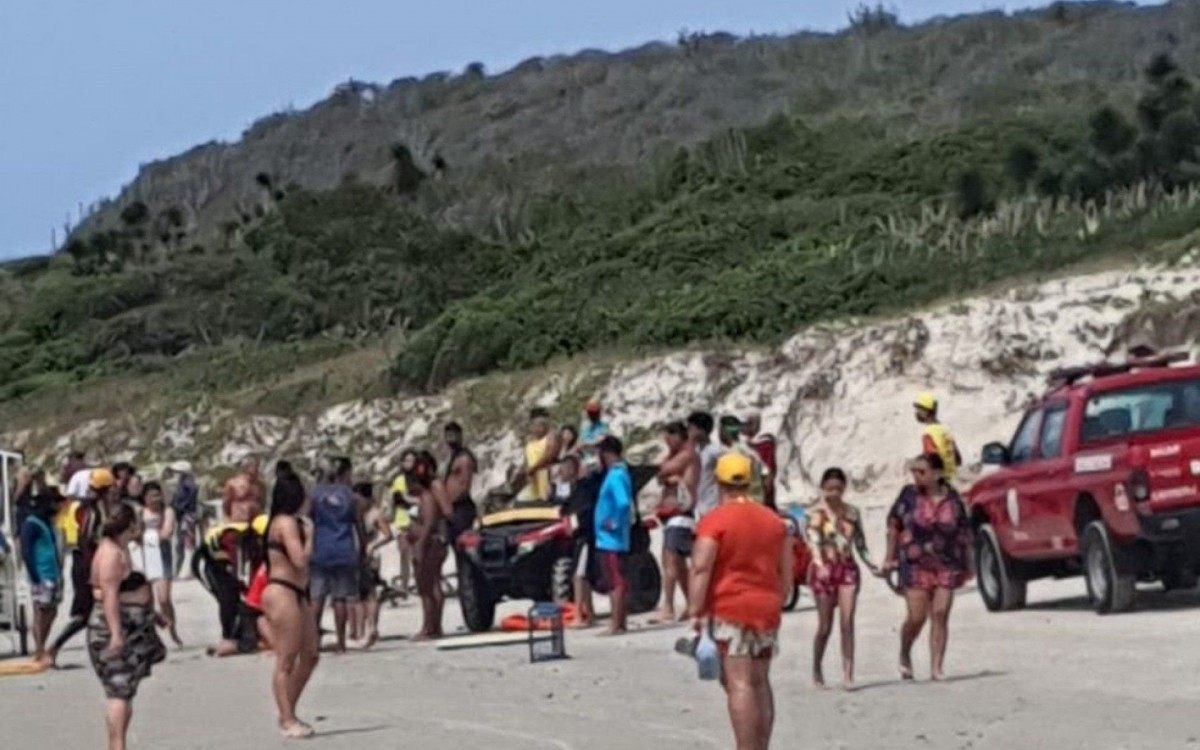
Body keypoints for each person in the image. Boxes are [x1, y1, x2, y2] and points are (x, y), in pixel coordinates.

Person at [687, 453, 791, 750]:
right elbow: (785, 571)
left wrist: (695, 610)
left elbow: (702, 567)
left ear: (718, 482)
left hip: (730, 607)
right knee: (760, 680)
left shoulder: (715, 521)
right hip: (767, 606)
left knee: (739, 683)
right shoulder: (773, 521)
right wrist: (778, 598)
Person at [882, 453, 972, 681]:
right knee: (917, 617)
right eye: (914, 471)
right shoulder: (908, 496)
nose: (916, 476)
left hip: (946, 562)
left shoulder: (952, 498)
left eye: (921, 472)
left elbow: (963, 533)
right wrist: (889, 557)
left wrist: (968, 563)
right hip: (914, 562)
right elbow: (894, 525)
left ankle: (936, 667)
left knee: (940, 614)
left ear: (937, 473)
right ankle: (905, 652)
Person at [86, 503, 166, 750]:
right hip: (111, 629)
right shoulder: (111, 554)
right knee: (118, 693)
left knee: (123, 692)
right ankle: (117, 746)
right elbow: (108, 596)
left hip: (130, 627)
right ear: (130, 525)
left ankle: (117, 745)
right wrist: (117, 635)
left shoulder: (117, 549)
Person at [261, 461, 319, 739]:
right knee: (286, 658)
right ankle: (287, 718)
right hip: (282, 590)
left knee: (311, 654)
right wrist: (310, 538)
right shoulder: (284, 523)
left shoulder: (290, 522)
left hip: (298, 591)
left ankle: (288, 709)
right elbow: (299, 559)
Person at [806, 467, 877, 690]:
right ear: (823, 488)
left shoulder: (852, 513)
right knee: (825, 626)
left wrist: (872, 564)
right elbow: (813, 543)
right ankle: (817, 668)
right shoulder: (814, 514)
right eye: (829, 488)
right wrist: (820, 566)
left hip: (847, 569)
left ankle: (848, 673)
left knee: (847, 622)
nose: (834, 493)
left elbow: (861, 544)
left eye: (838, 488)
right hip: (824, 570)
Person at [48, 468, 118, 665]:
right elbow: (86, 540)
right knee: (85, 614)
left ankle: (107, 648)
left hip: (80, 560)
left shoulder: (77, 506)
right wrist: (95, 571)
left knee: (100, 609)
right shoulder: (92, 511)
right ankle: (54, 648)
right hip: (86, 563)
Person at [310, 457, 361, 654]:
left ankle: (313, 642)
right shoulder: (349, 495)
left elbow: (306, 518)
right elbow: (358, 524)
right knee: (340, 598)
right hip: (343, 548)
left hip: (321, 549)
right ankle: (341, 642)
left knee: (317, 597)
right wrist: (362, 550)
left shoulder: (315, 494)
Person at [651, 421, 699, 623]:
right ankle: (691, 604)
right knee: (677, 565)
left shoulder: (686, 455)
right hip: (674, 516)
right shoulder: (677, 455)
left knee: (670, 561)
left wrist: (666, 475)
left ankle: (668, 607)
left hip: (681, 513)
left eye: (670, 437)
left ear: (680, 436)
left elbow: (664, 469)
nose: (667, 442)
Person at [22, 487, 67, 667]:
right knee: (41, 612)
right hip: (41, 574)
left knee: (52, 611)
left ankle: (42, 647)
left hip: (53, 573)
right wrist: (34, 576)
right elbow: (26, 551)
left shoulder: (49, 523)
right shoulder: (31, 523)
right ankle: (39, 650)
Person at [408, 451, 448, 639]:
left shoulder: (429, 494)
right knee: (432, 584)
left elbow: (430, 521)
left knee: (427, 586)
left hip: (429, 543)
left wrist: (420, 545)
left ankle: (430, 627)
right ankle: (434, 626)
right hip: (432, 541)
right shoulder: (427, 493)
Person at [594, 436, 632, 636]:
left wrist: (614, 522)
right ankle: (620, 622)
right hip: (612, 539)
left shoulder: (616, 475)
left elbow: (624, 503)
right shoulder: (618, 473)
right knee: (617, 580)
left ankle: (616, 624)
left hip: (611, 539)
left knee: (615, 581)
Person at [140, 482, 182, 647]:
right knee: (147, 600)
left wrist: (148, 534)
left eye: (158, 495)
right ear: (145, 498)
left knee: (164, 599)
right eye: (151, 496)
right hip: (145, 556)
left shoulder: (168, 511)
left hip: (162, 555)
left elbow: (167, 532)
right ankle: (151, 635)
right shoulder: (140, 512)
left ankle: (172, 629)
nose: (155, 499)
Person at [353, 482, 393, 649]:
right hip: (359, 554)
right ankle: (361, 630)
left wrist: (374, 545)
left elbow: (389, 535)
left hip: (371, 555)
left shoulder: (375, 514)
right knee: (359, 594)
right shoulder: (357, 513)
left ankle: (372, 627)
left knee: (370, 593)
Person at [561, 454, 598, 628]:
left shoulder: (583, 488)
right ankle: (589, 614)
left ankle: (579, 615)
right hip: (579, 538)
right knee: (583, 577)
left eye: (565, 468)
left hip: (585, 536)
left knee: (579, 576)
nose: (562, 472)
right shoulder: (572, 490)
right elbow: (565, 508)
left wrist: (573, 524)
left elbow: (583, 512)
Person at [443, 422, 479, 543]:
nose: (450, 439)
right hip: (452, 509)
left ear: (459, 436)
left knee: (463, 545)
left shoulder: (464, 458)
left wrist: (451, 504)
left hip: (461, 507)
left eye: (452, 435)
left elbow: (464, 485)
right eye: (447, 436)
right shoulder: (452, 457)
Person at [914, 392, 962, 482]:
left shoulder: (928, 433)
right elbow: (958, 460)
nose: (917, 413)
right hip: (952, 481)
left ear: (926, 412)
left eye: (919, 410)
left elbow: (933, 458)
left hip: (937, 483)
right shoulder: (946, 430)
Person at [517, 408, 560, 502]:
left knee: (545, 500)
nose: (537, 429)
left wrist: (533, 469)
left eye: (540, 426)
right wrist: (527, 472)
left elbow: (549, 455)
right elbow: (526, 461)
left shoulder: (551, 436)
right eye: (534, 426)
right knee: (521, 499)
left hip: (545, 476)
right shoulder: (529, 441)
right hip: (533, 479)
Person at [688, 411, 724, 520]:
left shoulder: (715, 451)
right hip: (699, 505)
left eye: (691, 428)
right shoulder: (696, 451)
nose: (689, 432)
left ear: (701, 430)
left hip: (712, 503)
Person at [167, 461, 199, 578]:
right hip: (182, 516)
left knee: (188, 542)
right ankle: (180, 569)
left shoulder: (188, 485)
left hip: (187, 515)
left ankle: (189, 569)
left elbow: (184, 502)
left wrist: (176, 508)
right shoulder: (182, 484)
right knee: (181, 543)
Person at [390, 453, 416, 595]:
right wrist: (413, 500)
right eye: (406, 460)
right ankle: (404, 585)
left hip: (417, 521)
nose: (409, 463)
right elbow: (398, 499)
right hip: (403, 521)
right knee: (404, 555)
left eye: (411, 460)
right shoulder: (399, 480)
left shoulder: (418, 479)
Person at [742, 415, 778, 510]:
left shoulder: (765, 442)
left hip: (761, 486)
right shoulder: (743, 443)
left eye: (749, 424)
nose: (745, 428)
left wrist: (768, 482)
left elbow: (769, 466)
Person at [223, 458, 266, 523]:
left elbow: (263, 502)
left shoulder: (260, 484)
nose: (253, 471)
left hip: (257, 519)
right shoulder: (233, 483)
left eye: (255, 468)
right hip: (239, 519)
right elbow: (226, 504)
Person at [579, 401, 610, 473]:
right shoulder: (585, 428)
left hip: (598, 460)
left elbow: (601, 441)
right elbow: (580, 444)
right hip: (585, 460)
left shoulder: (603, 427)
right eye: (590, 413)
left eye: (593, 413)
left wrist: (588, 445)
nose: (591, 415)